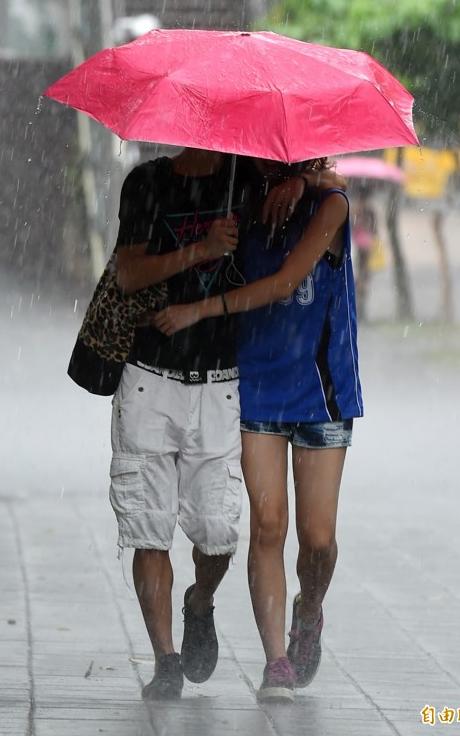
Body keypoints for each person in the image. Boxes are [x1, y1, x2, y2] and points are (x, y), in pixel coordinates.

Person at [110, 147, 317, 701]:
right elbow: (128, 272)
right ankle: (165, 660)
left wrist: (297, 183)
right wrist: (199, 250)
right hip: (149, 378)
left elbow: (327, 182)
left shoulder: (247, 179)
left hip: (221, 381)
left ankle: (199, 603)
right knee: (147, 527)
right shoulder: (147, 182)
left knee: (220, 533)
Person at [154, 157, 362, 703]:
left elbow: (287, 281)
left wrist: (203, 309)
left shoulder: (331, 204)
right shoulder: (238, 200)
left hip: (321, 389)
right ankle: (276, 663)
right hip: (256, 385)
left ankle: (309, 610)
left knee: (317, 540)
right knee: (267, 527)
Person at [351, 190, 378, 322]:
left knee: (362, 275)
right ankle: (361, 306)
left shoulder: (356, 211)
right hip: (364, 246)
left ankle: (361, 306)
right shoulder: (368, 211)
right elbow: (375, 230)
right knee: (364, 275)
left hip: (361, 246)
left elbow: (351, 228)